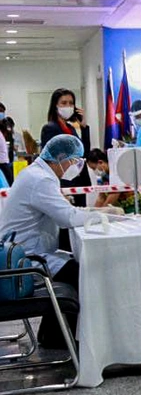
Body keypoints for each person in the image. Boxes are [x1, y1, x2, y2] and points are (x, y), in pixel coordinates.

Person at [0, 135, 96, 347]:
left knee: (74, 266)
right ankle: (59, 338)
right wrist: (101, 215)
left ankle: (51, 334)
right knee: (81, 272)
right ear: (60, 158)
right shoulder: (40, 180)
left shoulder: (37, 174)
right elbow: (67, 218)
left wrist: (90, 212)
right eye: (75, 160)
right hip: (25, 259)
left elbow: (64, 212)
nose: (76, 166)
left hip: (26, 251)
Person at [40, 88, 92, 206]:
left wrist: (84, 128)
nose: (68, 106)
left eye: (71, 103)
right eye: (64, 103)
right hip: (64, 180)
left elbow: (85, 153)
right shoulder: (50, 128)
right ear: (55, 106)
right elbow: (50, 158)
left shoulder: (71, 128)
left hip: (78, 179)